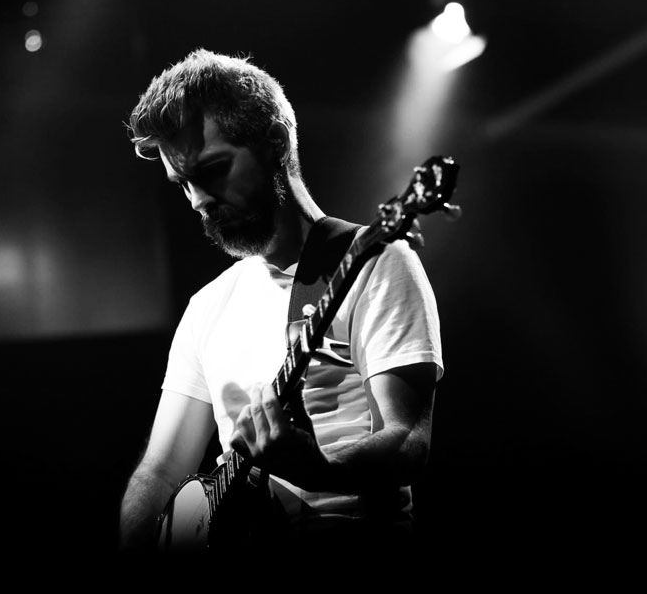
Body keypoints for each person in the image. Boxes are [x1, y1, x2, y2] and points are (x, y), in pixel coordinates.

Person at [117, 48, 444, 556]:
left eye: (213, 170)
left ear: (275, 140)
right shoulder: (207, 307)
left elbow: (408, 441)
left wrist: (319, 468)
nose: (199, 201)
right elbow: (161, 470)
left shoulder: (377, 262)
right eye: (183, 184)